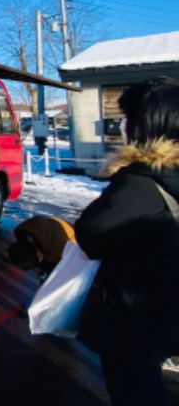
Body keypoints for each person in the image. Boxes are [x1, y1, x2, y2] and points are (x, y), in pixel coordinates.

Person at [74, 76, 179, 405]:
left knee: (135, 391)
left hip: (136, 318)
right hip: (166, 309)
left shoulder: (141, 183)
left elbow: (91, 233)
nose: (121, 125)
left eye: (128, 118)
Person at [7, 215, 75, 279]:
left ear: (39, 254)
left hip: (75, 248)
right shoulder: (27, 230)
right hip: (56, 229)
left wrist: (42, 268)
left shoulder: (60, 251)